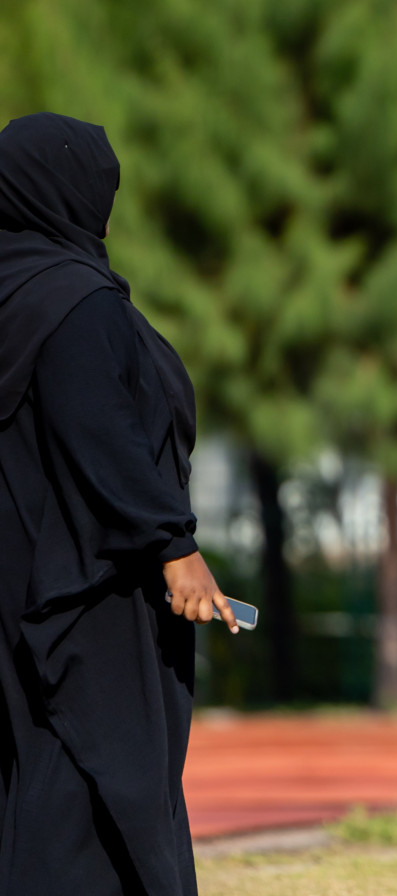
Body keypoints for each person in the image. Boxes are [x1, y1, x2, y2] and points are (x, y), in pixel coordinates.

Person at [0, 112, 238, 894]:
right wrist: (173, 545)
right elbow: (98, 431)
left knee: (40, 768)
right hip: (92, 586)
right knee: (106, 775)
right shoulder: (75, 301)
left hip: (21, 582)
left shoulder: (16, 294)